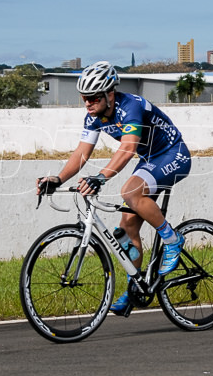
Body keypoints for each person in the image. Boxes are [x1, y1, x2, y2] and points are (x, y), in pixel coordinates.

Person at [36, 61, 192, 315]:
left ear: (110, 94)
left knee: (130, 191)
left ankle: (173, 240)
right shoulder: (94, 116)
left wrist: (100, 177)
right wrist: (58, 179)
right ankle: (136, 287)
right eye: (84, 98)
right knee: (128, 226)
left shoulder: (130, 106)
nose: (87, 103)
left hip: (173, 154)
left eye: (93, 97)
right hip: (150, 159)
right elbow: (81, 153)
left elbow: (129, 147)